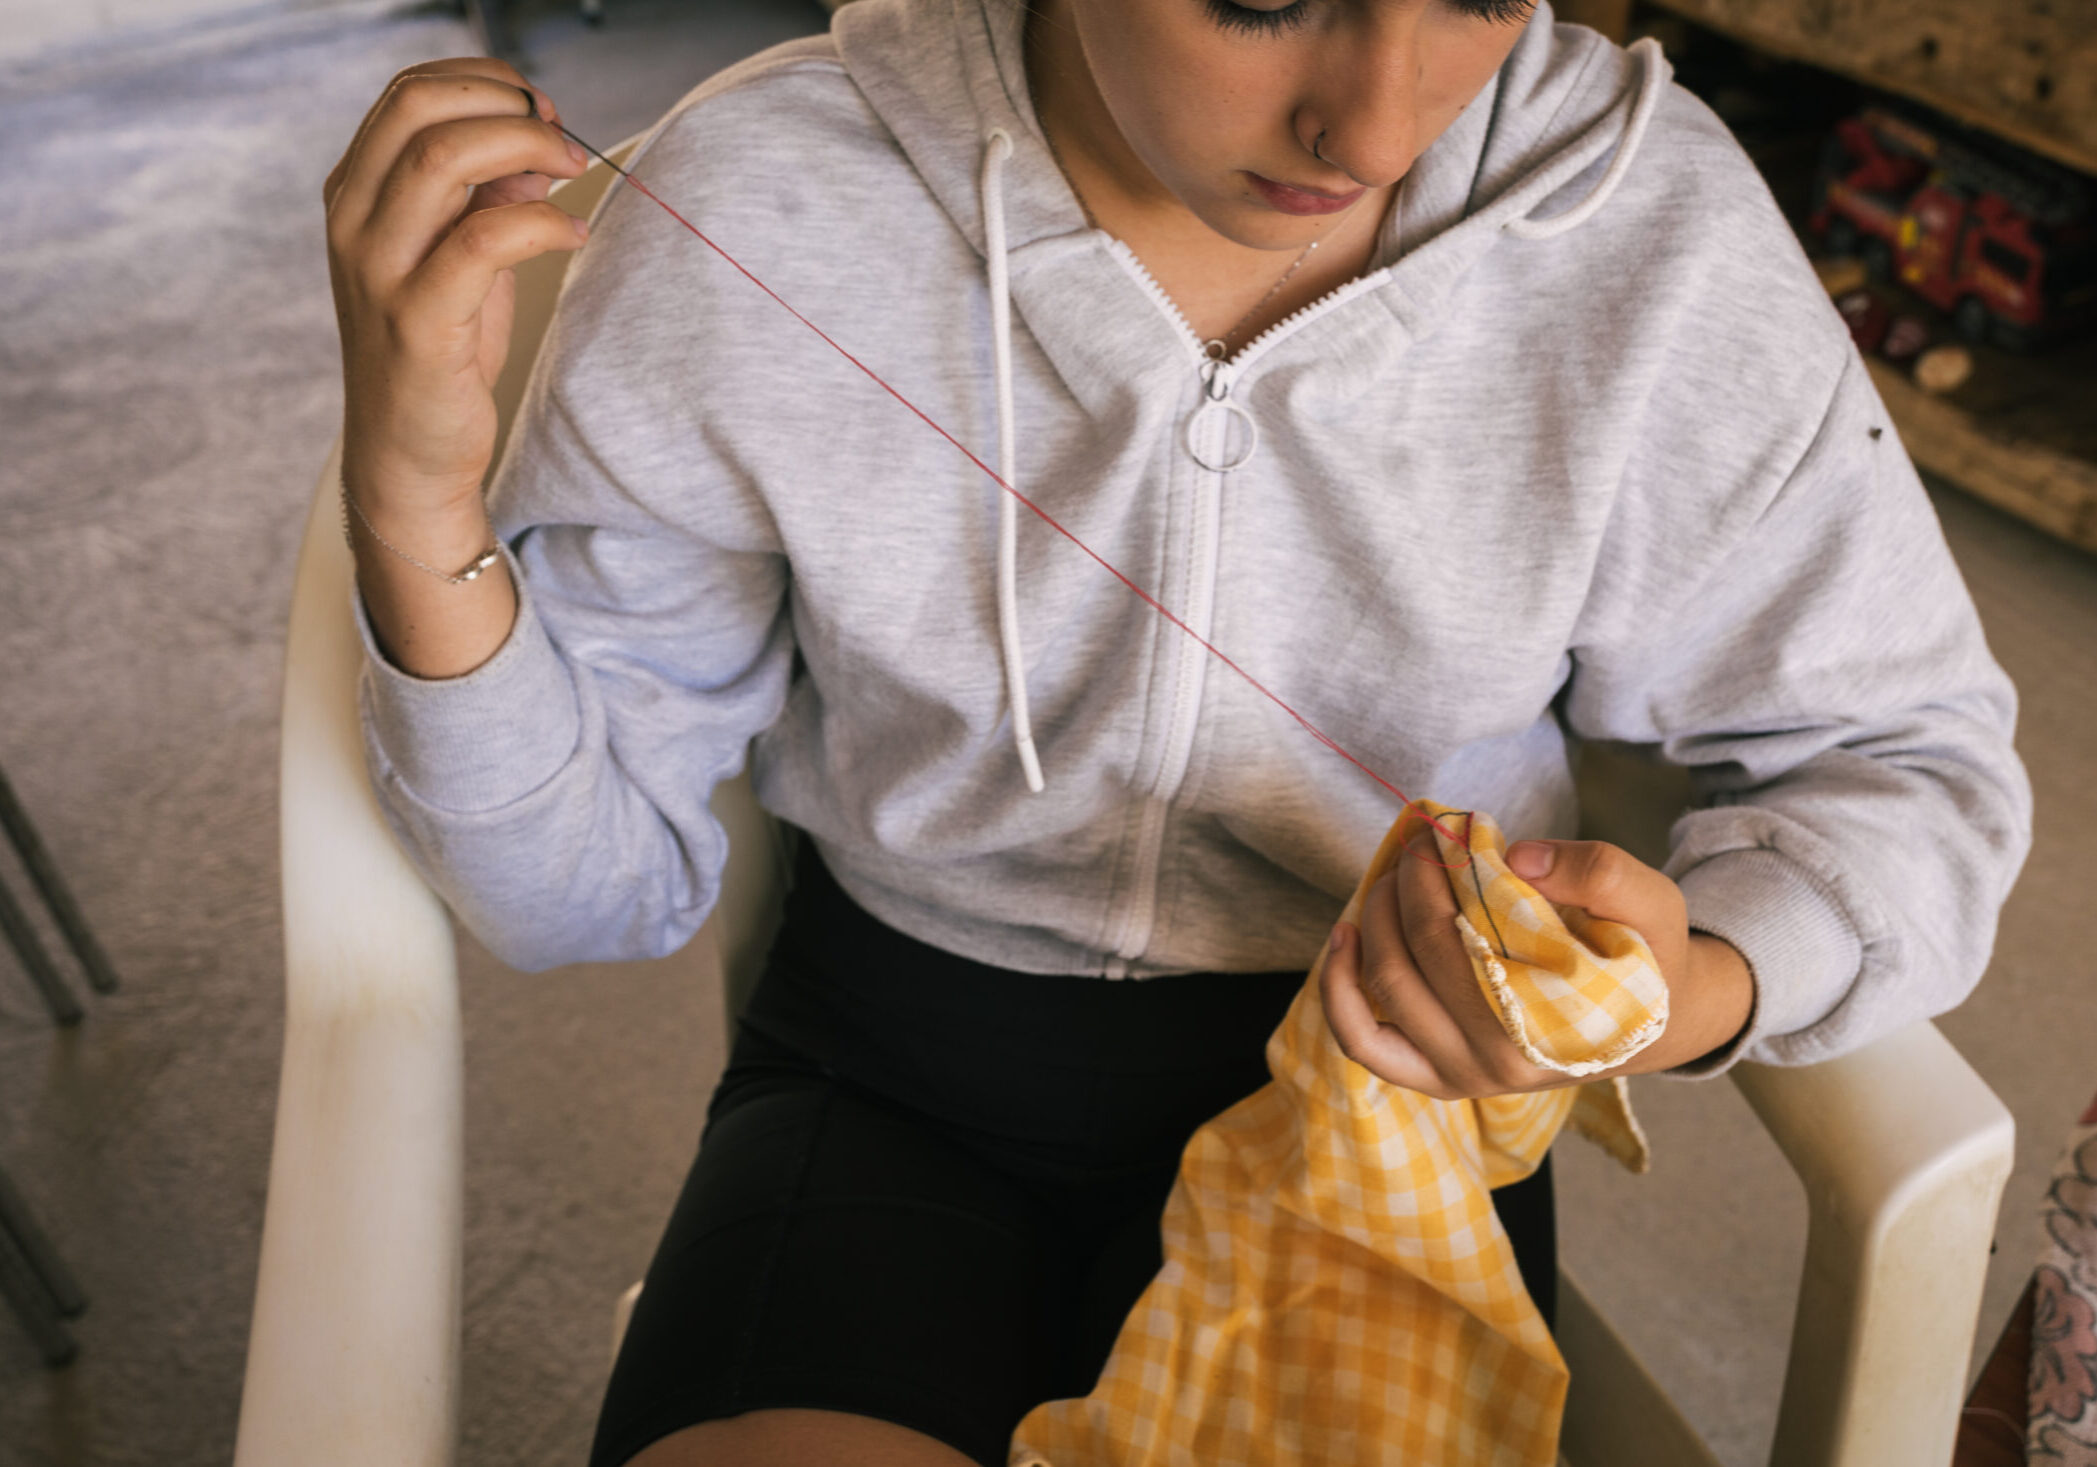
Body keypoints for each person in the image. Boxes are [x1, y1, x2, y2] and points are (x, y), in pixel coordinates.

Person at [321, 0, 2032, 1462]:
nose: (1373, 120)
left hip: (1394, 1124)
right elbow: (575, 893)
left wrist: (1687, 989)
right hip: (891, 1080)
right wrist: (408, 502)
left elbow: (1908, 766)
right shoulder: (768, 201)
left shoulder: (1646, 238)